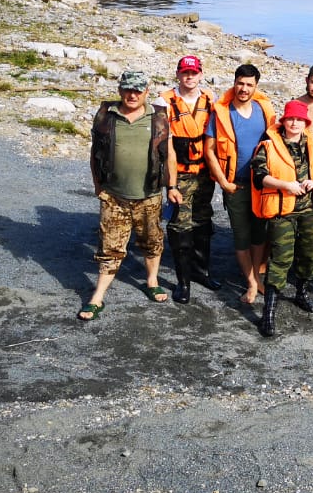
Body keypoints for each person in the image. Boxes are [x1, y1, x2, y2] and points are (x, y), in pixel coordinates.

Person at [80, 70, 180, 320]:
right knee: (109, 246)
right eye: (127, 89)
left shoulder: (158, 117)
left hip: (149, 195)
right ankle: (98, 296)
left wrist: (173, 186)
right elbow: (96, 154)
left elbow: (169, 155)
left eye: (138, 90)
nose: (132, 95)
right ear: (120, 90)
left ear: (147, 91)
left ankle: (152, 281)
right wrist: (97, 186)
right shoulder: (107, 115)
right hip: (114, 196)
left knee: (152, 241)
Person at [250, 100, 313, 337]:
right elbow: (260, 177)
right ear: (284, 121)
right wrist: (286, 185)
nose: (295, 123)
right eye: (290, 119)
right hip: (282, 211)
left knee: (310, 255)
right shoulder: (268, 145)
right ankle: (269, 311)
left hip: (310, 210)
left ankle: (301, 292)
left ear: (305, 122)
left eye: (299, 120)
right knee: (280, 258)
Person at [205, 64, 275, 307]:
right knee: (241, 236)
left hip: (261, 185)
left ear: (256, 87)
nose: (243, 89)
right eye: (240, 83)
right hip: (235, 185)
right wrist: (223, 182)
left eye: (249, 85)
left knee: (259, 235)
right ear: (234, 82)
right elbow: (210, 151)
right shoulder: (222, 112)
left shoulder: (263, 109)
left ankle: (257, 275)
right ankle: (251, 282)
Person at [160, 54, 219, 303]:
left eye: (194, 73)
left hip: (205, 172)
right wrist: (171, 183)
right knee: (180, 226)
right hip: (181, 172)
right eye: (185, 73)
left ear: (201, 74)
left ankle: (201, 271)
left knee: (203, 221)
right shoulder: (164, 101)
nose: (190, 77)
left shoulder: (210, 98)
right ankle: (183, 282)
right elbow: (165, 146)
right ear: (178, 74)